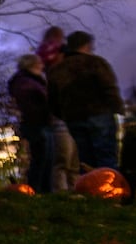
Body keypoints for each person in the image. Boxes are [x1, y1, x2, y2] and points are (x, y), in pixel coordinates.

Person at [44, 30, 124, 170]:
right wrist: (118, 108)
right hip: (100, 114)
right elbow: (109, 87)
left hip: (74, 118)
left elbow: (52, 100)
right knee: (106, 157)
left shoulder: (57, 70)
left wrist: (64, 114)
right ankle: (111, 188)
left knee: (86, 160)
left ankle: (90, 189)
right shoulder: (96, 63)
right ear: (87, 45)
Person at [7, 53, 54, 192]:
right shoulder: (25, 82)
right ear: (31, 65)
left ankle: (45, 190)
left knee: (47, 160)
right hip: (36, 124)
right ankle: (37, 189)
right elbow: (31, 104)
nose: (42, 66)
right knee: (41, 159)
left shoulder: (33, 81)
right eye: (39, 63)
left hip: (42, 123)